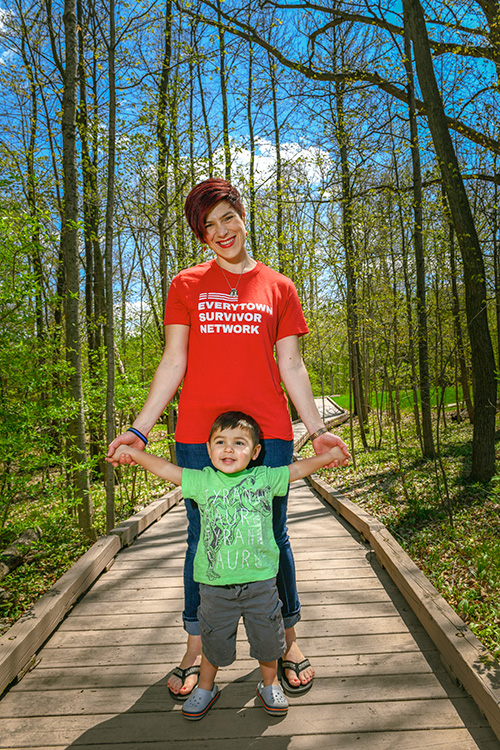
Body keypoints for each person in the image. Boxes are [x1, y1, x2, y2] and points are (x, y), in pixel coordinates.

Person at [107, 177, 350, 700]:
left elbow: (292, 363)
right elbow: (174, 361)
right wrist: (138, 429)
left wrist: (318, 431)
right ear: (201, 234)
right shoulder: (186, 285)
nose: (221, 231)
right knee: (203, 541)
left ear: (243, 215)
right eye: (208, 225)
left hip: (267, 436)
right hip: (200, 435)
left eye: (227, 217)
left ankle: (288, 640)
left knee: (276, 537)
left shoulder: (279, 287)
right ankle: (195, 647)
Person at [110, 411, 348, 720]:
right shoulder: (202, 481)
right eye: (220, 442)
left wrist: (328, 454)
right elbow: (166, 469)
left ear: (255, 452)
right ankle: (206, 687)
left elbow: (297, 468)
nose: (228, 449)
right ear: (208, 450)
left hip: (261, 583)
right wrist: (134, 453)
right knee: (213, 641)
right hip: (214, 586)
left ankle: (269, 683)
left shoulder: (264, 478)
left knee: (267, 640)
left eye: (239, 443)